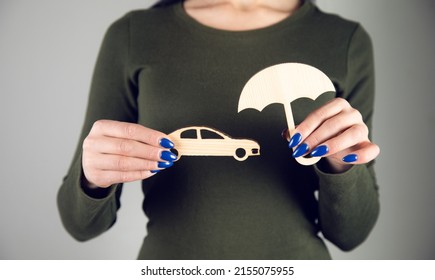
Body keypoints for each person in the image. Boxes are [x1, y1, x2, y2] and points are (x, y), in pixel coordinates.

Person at [57, 0, 380, 259]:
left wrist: (341, 167)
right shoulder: (133, 34)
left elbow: (351, 235)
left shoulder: (344, 40)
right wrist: (92, 179)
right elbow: (80, 225)